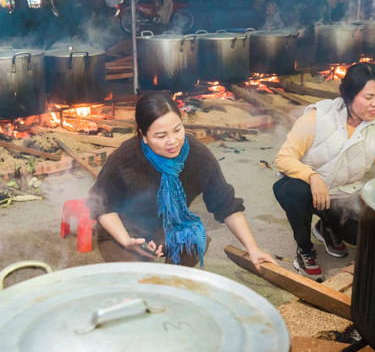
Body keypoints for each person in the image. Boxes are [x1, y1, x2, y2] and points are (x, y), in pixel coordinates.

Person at [87, 92, 278, 272]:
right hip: (123, 231)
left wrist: (253, 248)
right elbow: (102, 206)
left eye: (177, 130)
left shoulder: (197, 156)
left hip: (165, 226)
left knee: (192, 240)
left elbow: (226, 204)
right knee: (136, 281)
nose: (172, 141)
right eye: (161, 136)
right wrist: (127, 241)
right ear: (143, 136)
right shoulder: (125, 158)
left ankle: (170, 279)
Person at [272, 62, 375, 280]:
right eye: (368, 97)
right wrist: (312, 176)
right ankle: (304, 249)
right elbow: (283, 158)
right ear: (350, 95)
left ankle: (326, 227)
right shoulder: (318, 117)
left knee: (366, 235)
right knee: (296, 191)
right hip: (304, 189)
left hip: (342, 196)